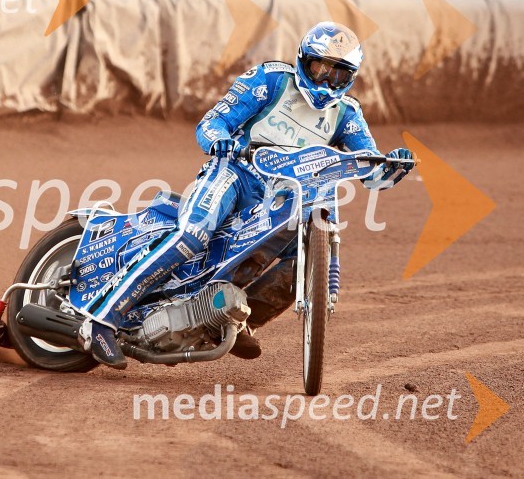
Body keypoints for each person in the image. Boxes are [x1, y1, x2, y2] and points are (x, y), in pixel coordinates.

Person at [80, 21, 415, 369]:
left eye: (338, 74)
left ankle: (235, 319)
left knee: (299, 259)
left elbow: (370, 171)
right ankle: (102, 320)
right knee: (193, 234)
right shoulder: (270, 79)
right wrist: (220, 141)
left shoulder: (348, 113)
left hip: (283, 198)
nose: (326, 80)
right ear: (304, 60)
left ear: (350, 78)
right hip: (235, 174)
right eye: (320, 67)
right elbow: (211, 124)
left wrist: (394, 166)